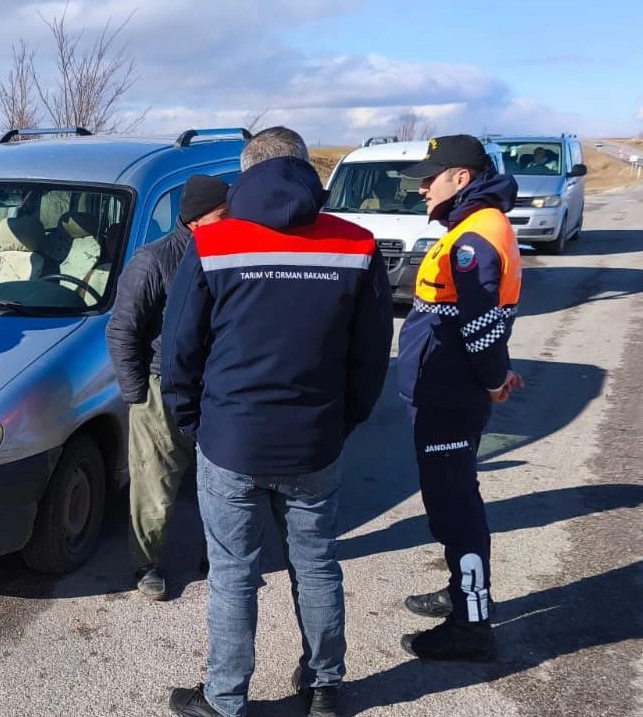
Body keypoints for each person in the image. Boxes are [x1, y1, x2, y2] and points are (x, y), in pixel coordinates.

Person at [163, 127, 393, 717]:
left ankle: (225, 699)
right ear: (305, 168)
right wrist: (344, 421)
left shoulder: (212, 243)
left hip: (231, 440)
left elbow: (181, 348)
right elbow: (371, 354)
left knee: (232, 574)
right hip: (315, 441)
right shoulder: (357, 245)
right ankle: (324, 687)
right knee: (316, 565)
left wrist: (193, 422)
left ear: (245, 174)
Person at [396, 134, 523, 661]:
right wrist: (496, 371)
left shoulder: (474, 237)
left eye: (431, 177)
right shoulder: (475, 225)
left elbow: (481, 324)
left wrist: (493, 379)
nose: (422, 187)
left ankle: (471, 626)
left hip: (448, 394)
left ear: (462, 178)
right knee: (456, 498)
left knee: (454, 508)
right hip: (447, 389)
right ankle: (463, 590)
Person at [106, 174, 229, 601]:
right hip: (161, 388)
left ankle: (217, 555)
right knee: (154, 482)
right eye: (223, 215)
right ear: (195, 219)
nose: (231, 220)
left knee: (220, 479)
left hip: (216, 385)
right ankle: (147, 564)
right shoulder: (154, 260)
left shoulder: (227, 254)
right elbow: (122, 330)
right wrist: (137, 396)